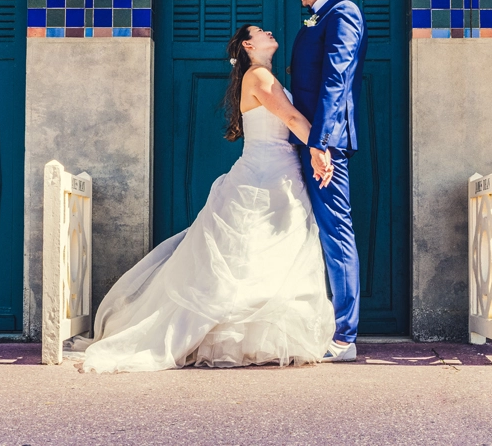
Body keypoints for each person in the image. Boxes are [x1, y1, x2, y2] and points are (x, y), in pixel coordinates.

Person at [78, 25, 335, 373]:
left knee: (258, 253)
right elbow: (289, 117)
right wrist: (319, 149)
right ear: (248, 45)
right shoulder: (258, 75)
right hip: (266, 173)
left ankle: (254, 340)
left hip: (277, 171)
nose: (271, 31)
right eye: (261, 31)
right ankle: (238, 338)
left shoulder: (264, 76)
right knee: (254, 251)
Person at [289, 0, 367, 362]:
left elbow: (336, 79)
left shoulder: (343, 12)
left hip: (327, 143)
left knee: (336, 233)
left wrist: (319, 142)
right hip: (312, 140)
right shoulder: (320, 15)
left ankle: (344, 336)